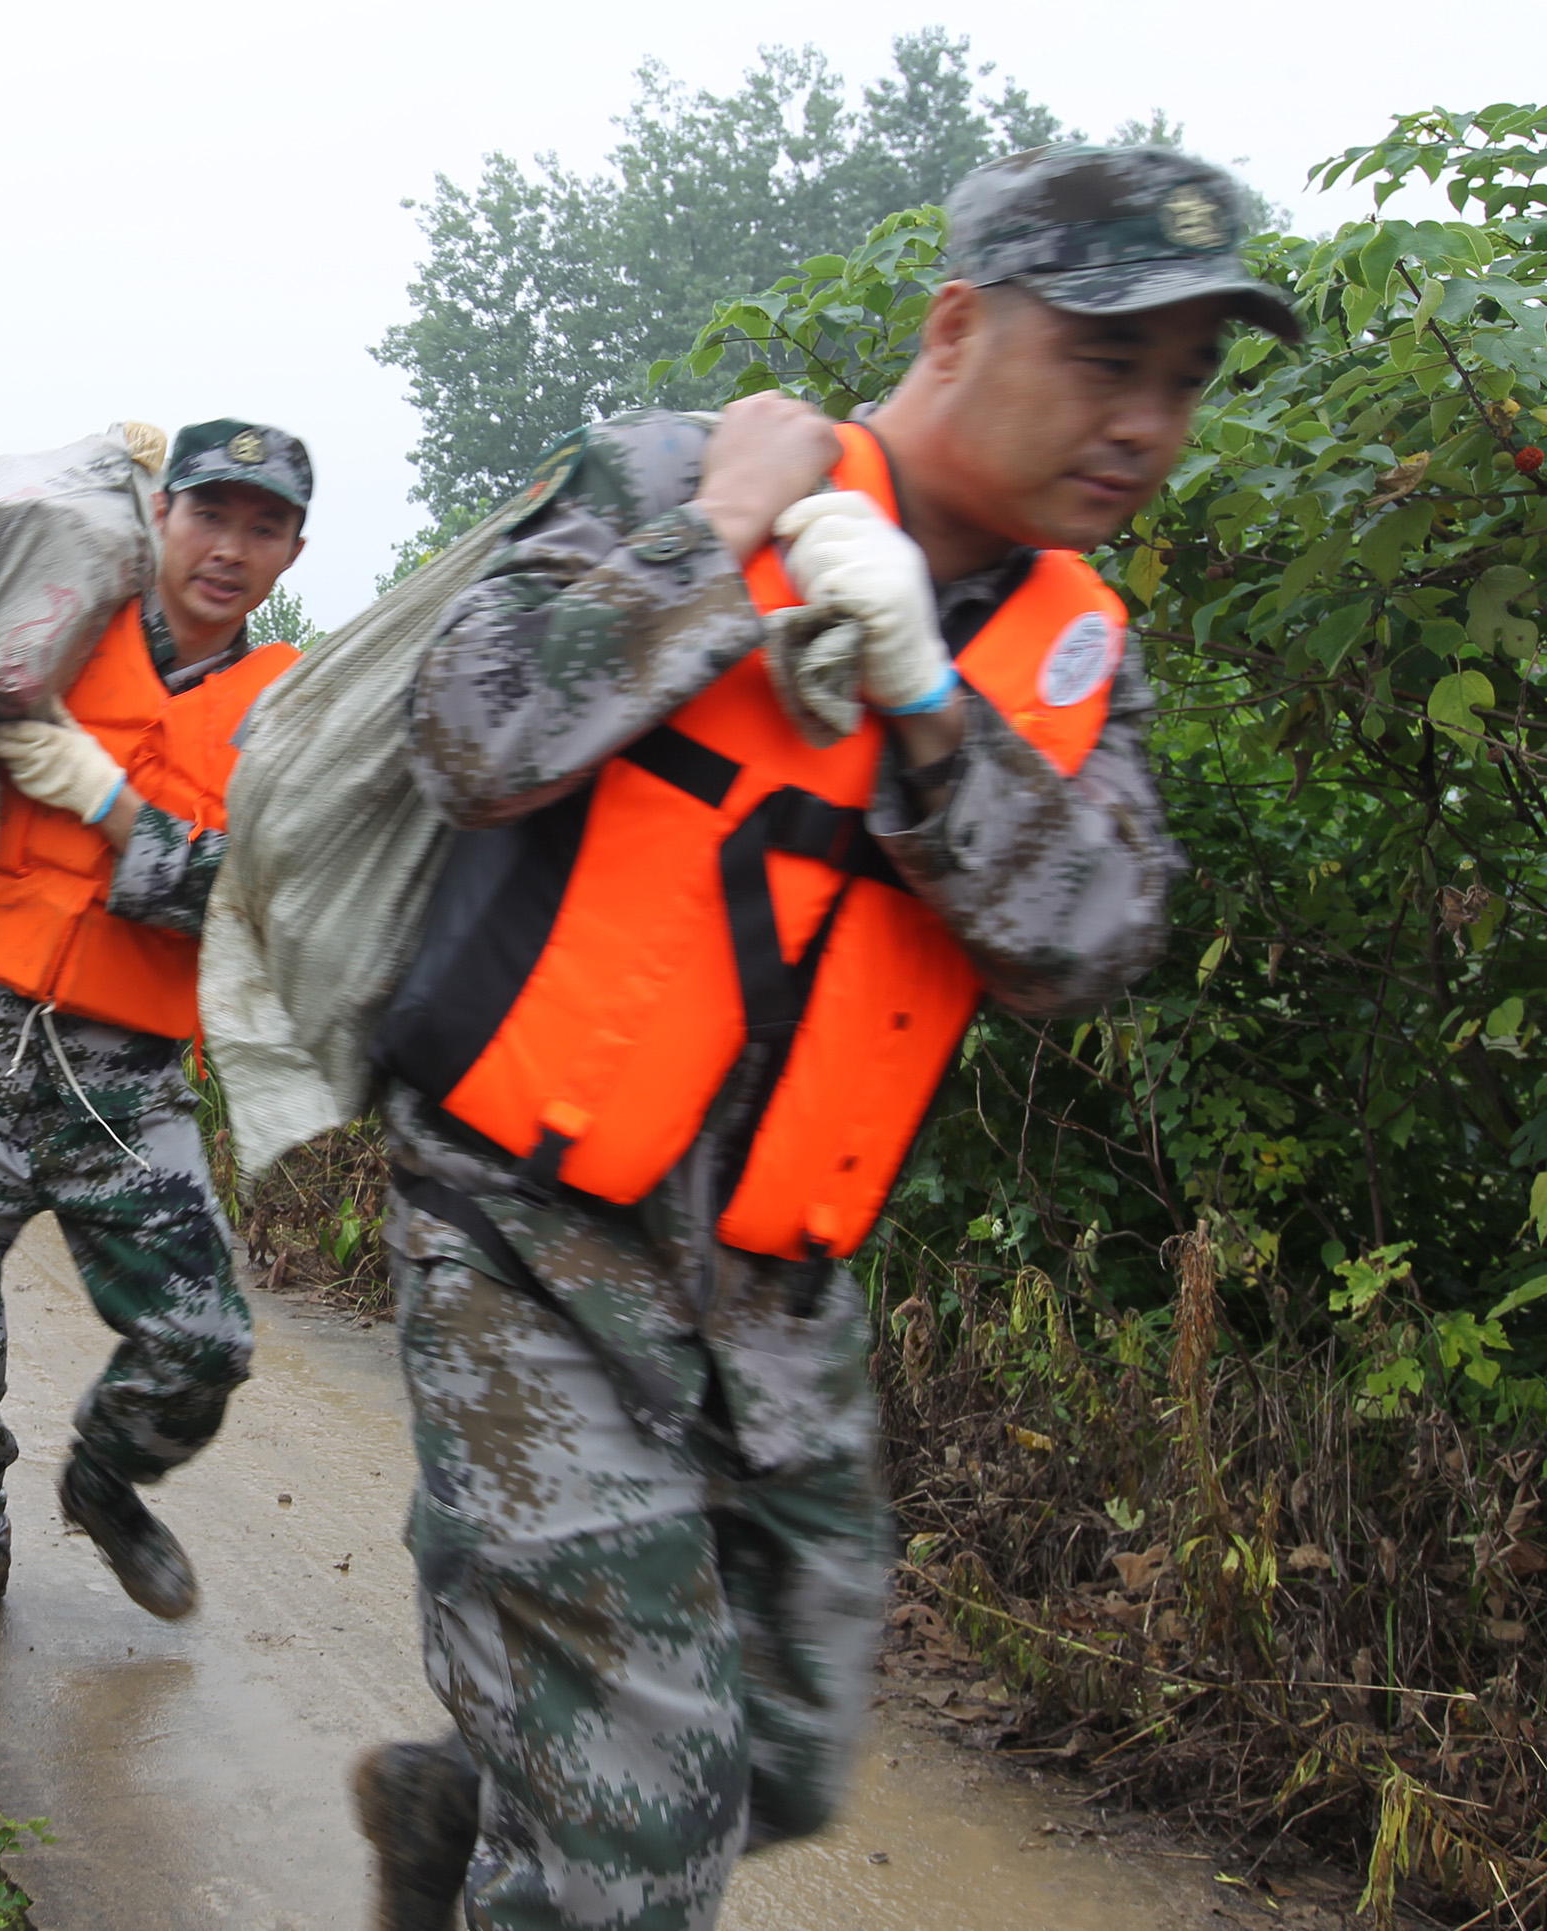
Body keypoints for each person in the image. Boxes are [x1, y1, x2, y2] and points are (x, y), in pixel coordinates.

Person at [347, 146, 1295, 1930]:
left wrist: (925, 700)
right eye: (1108, 360)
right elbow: (471, 735)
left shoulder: (1081, 651)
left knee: (776, 1752)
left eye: (1186, 380)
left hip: (776, 1289)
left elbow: (1083, 944)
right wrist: (716, 544)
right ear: (955, 325)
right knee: (644, 1832)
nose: (1149, 421)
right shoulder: (682, 474)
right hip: (521, 1236)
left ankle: (468, 1813)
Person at [0, 419, 313, 1652]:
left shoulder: (286, 706)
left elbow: (265, 901)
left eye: (262, 527)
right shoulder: (51, 628)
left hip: (126, 1076)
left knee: (202, 1339)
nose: (230, 547)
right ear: (160, 517)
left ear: (292, 550)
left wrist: (115, 812)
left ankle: (103, 1482)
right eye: (210, 513)